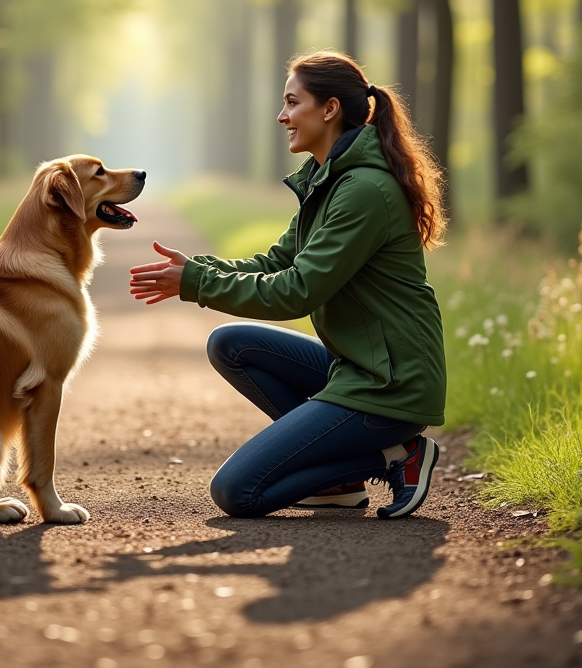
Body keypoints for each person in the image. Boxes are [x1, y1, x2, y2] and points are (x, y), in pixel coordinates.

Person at [128, 50, 447, 519]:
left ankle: (397, 456)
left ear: (329, 109)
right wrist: (197, 268)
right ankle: (341, 481)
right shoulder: (330, 179)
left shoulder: (363, 191)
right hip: (358, 370)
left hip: (389, 387)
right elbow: (277, 261)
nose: (282, 116)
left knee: (238, 492)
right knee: (230, 344)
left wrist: (195, 284)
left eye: (292, 103)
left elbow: (296, 290)